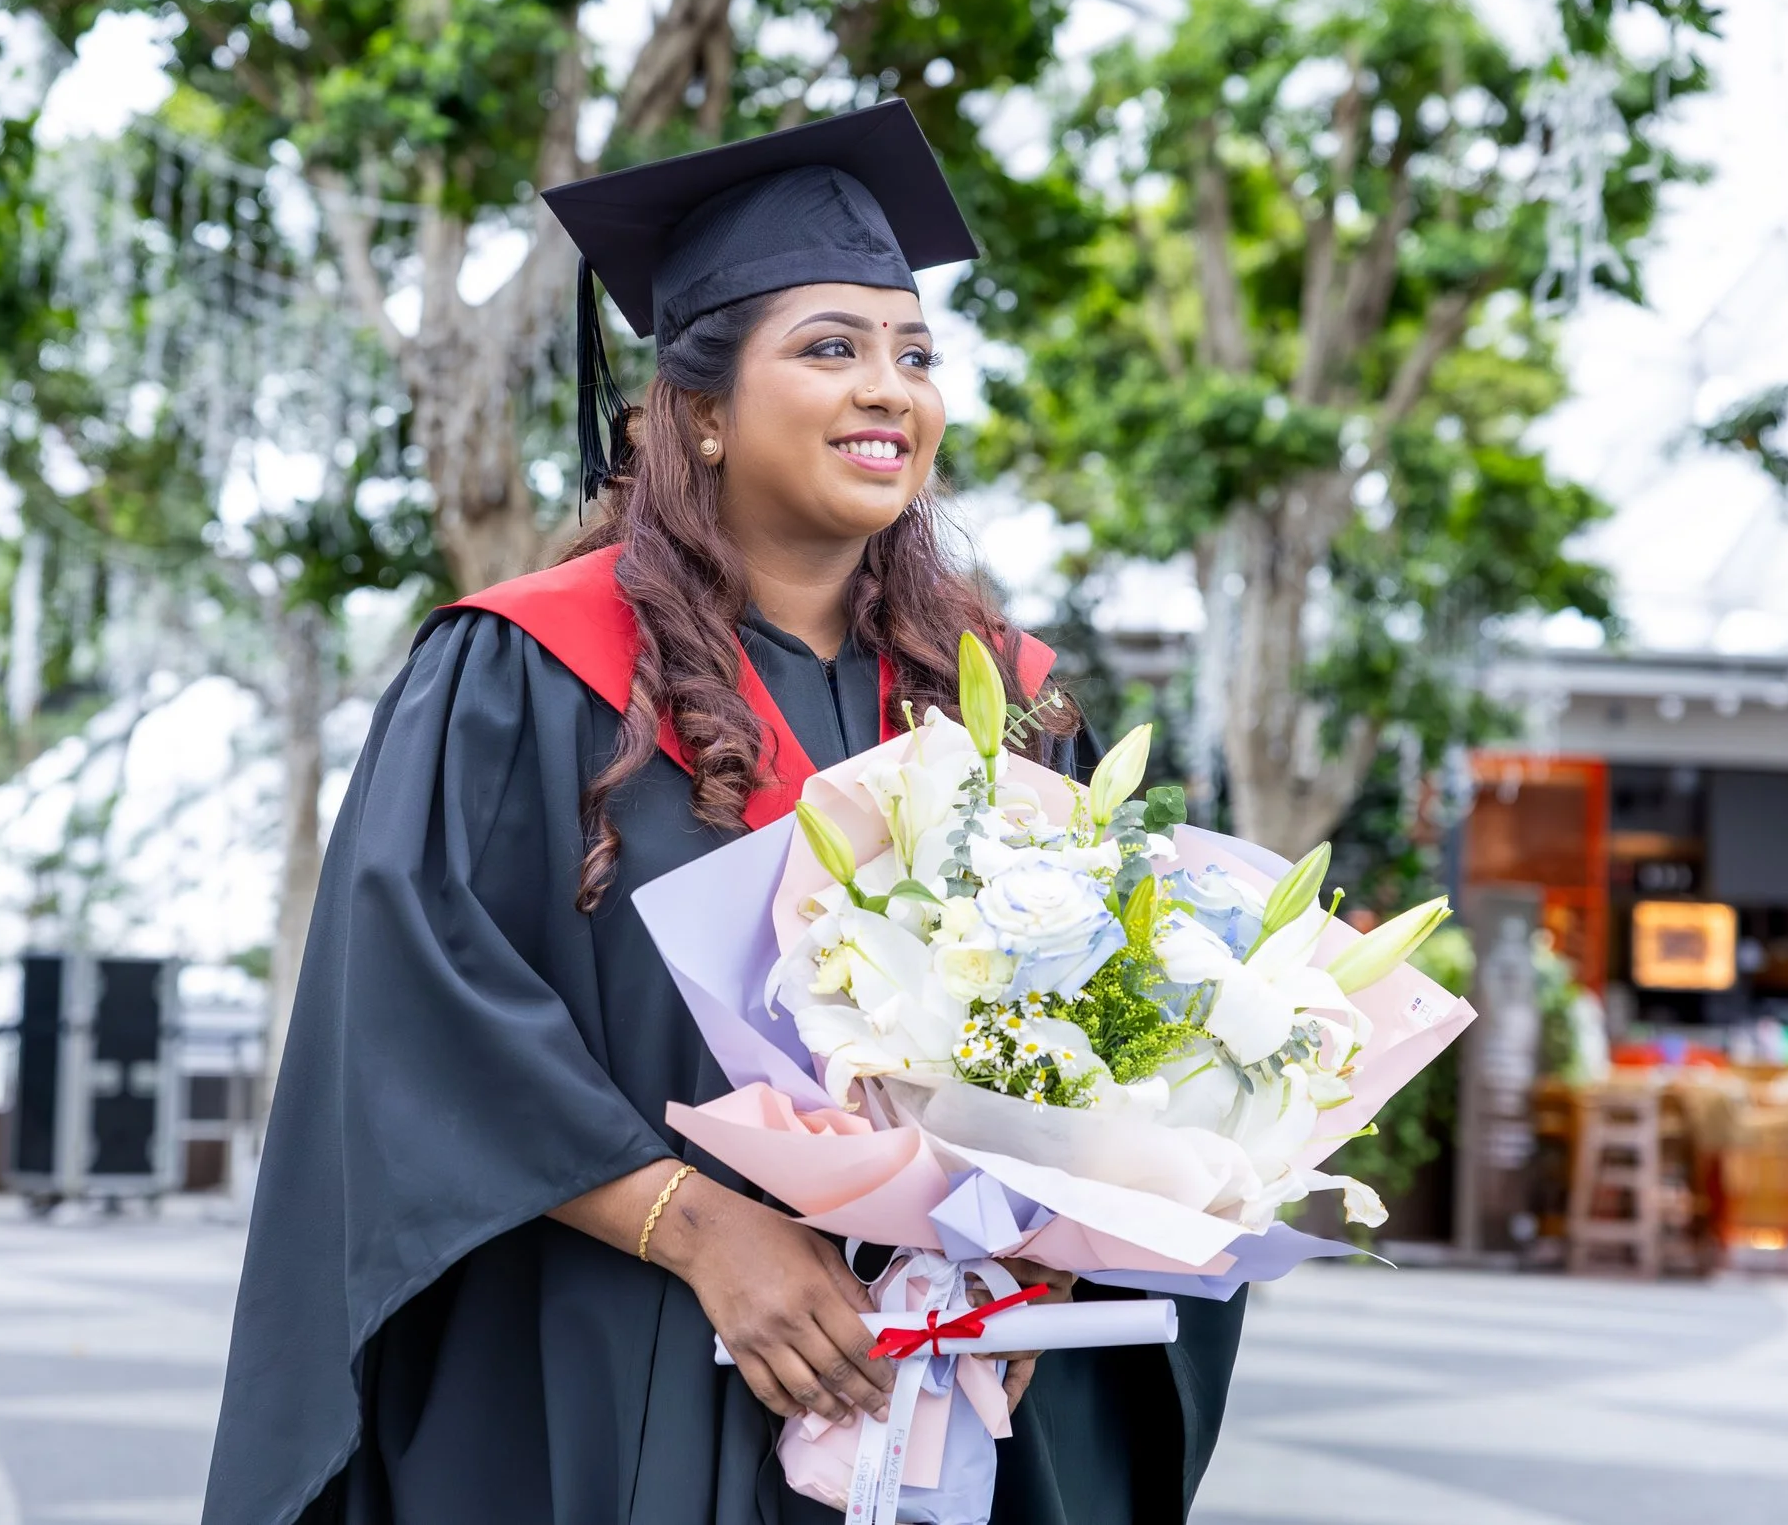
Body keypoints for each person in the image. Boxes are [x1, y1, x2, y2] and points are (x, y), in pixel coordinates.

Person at [203, 102, 1246, 1525]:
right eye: (831, 348)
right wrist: (699, 1230)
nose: (889, 390)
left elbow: (1100, 1047)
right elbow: (416, 1012)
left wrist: (1037, 1259)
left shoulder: (1000, 703)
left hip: (926, 1380)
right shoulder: (525, 670)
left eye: (915, 355)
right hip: (614, 1348)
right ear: (698, 408)